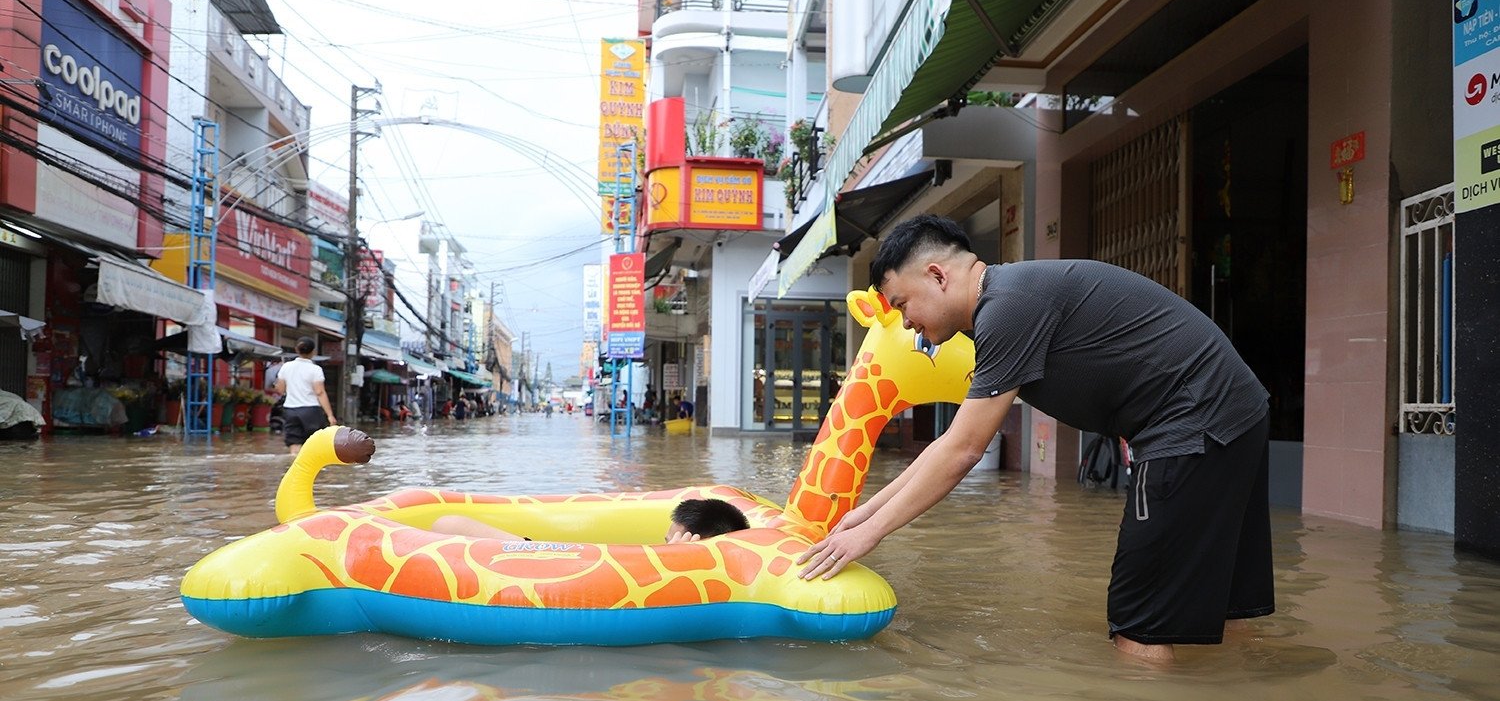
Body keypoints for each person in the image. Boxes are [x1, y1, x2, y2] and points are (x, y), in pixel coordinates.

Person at [796, 214, 1272, 663]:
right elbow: (950, 442)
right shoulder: (1011, 296)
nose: (905, 323)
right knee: (1226, 608)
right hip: (1235, 413)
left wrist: (869, 536)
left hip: (1191, 423)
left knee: (1138, 624)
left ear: (937, 275)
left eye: (902, 305)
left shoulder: (1005, 308)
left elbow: (963, 452)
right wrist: (861, 515)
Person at [432, 498, 751, 544]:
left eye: (673, 541)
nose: (663, 546)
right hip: (539, 557)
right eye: (667, 540)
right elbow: (447, 522)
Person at [275, 337, 337, 456]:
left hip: (290, 410)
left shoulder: (286, 367)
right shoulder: (315, 369)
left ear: (296, 350)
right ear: (313, 352)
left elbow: (281, 389)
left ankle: (297, 471)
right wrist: (330, 415)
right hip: (311, 410)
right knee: (315, 445)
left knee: (294, 444)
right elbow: (320, 392)